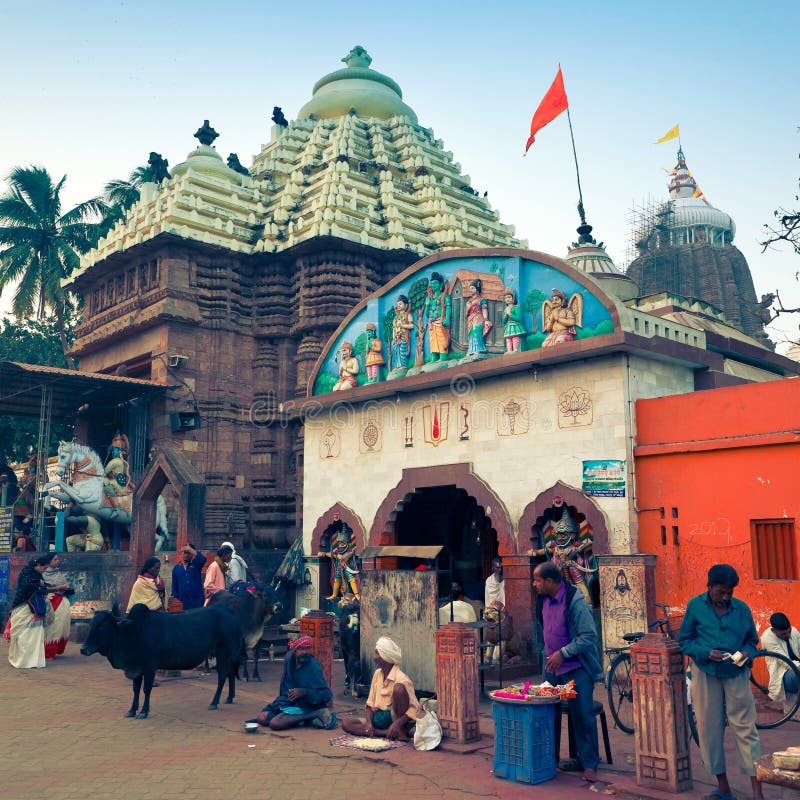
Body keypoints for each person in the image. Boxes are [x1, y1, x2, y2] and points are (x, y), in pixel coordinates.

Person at [678, 564, 762, 800]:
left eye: (729, 593)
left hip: (736, 673)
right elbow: (684, 641)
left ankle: (758, 790)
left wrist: (747, 653)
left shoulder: (742, 609)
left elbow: (751, 641)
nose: (725, 597)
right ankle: (723, 786)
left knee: (746, 729)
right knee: (708, 729)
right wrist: (705, 652)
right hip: (706, 672)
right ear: (710, 587)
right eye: (720, 592)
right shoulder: (695, 607)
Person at [534, 561, 603, 783]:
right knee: (546, 713)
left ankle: (589, 763)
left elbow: (588, 636)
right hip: (552, 669)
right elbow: (544, 629)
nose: (534, 584)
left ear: (549, 581)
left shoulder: (575, 600)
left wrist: (563, 653)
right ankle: (550, 759)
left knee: (582, 715)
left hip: (576, 668)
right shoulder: (541, 600)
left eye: (537, 580)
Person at [342, 636, 419, 740]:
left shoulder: (402, 679)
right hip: (378, 718)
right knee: (346, 723)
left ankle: (398, 729)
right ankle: (385, 733)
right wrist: (369, 723)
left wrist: (397, 724)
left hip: (394, 719)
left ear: (385, 657)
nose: (374, 657)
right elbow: (370, 703)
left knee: (399, 689)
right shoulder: (377, 674)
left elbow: (413, 709)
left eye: (376, 653)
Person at [250, 636, 335, 730]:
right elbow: (285, 686)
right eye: (302, 649)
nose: (305, 652)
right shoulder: (289, 659)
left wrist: (304, 692)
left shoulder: (313, 666)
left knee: (275, 723)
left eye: (308, 649)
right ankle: (306, 721)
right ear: (295, 650)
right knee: (262, 718)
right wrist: (284, 700)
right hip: (288, 701)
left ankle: (315, 714)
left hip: (307, 705)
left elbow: (326, 694)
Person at [4, 555, 50, 668]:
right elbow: (27, 587)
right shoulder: (26, 573)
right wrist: (40, 585)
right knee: (22, 635)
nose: (44, 571)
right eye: (44, 568)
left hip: (35, 609)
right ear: (38, 565)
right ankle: (21, 660)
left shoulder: (38, 576)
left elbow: (43, 588)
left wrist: (41, 585)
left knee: (34, 635)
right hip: (23, 606)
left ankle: (33, 661)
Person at [760, 612, 800, 712]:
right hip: (783, 675)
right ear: (773, 631)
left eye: (789, 631)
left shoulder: (794, 631)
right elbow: (785, 661)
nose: (788, 635)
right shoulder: (767, 637)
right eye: (783, 634)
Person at [43, 553, 72, 659]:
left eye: (58, 559)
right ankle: (46, 650)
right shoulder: (43, 573)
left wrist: (66, 589)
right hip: (49, 602)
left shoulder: (59, 573)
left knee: (59, 627)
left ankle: (53, 650)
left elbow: (65, 586)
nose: (57, 561)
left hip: (61, 602)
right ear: (49, 561)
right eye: (55, 559)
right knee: (50, 626)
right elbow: (42, 588)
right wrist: (59, 588)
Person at [424, 271, 451, 362]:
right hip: (432, 322)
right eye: (432, 283)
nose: (433, 285)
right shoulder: (429, 298)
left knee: (442, 337)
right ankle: (434, 357)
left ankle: (443, 356)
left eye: (435, 283)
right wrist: (427, 305)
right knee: (432, 339)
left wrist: (447, 318)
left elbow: (448, 308)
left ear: (440, 284)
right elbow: (427, 314)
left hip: (440, 320)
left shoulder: (444, 296)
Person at [171, 544, 207, 610]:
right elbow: (174, 587)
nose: (186, 555)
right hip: (183, 604)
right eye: (185, 553)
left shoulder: (196, 564)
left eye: (188, 553)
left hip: (197, 602)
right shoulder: (176, 568)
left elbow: (203, 559)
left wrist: (190, 549)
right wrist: (175, 600)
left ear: (192, 554)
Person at [389, 294, 414, 375]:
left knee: (402, 350)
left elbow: (412, 325)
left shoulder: (408, 315)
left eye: (400, 304)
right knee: (396, 352)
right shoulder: (395, 318)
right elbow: (393, 329)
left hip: (404, 336)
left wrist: (402, 325)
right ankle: (397, 366)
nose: (398, 306)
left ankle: (403, 365)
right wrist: (393, 338)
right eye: (397, 304)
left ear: (405, 305)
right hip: (396, 338)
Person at [502, 287, 526, 352]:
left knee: (515, 337)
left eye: (509, 297)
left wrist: (510, 314)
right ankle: (509, 351)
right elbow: (503, 321)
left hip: (515, 326)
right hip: (508, 326)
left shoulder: (516, 308)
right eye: (506, 298)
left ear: (513, 298)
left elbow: (518, 318)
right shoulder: (505, 309)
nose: (507, 299)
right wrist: (505, 316)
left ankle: (515, 350)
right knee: (508, 338)